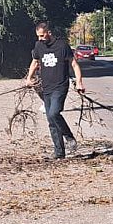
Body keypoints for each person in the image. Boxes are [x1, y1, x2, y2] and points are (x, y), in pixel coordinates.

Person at [25, 21, 85, 159]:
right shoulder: (39, 46)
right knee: (51, 121)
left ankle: (69, 137)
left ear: (49, 33)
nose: (40, 39)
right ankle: (59, 153)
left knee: (53, 113)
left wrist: (79, 83)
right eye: (38, 36)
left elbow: (74, 65)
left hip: (60, 86)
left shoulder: (62, 45)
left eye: (42, 35)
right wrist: (29, 78)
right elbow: (35, 62)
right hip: (46, 87)